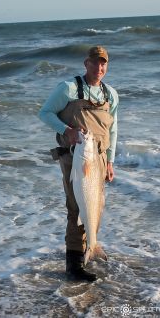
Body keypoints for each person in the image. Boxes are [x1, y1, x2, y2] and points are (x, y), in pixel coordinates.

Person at [39, 46, 119, 282]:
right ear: (86, 63)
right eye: (95, 63)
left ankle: (90, 249)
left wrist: (111, 161)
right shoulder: (69, 88)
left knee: (94, 209)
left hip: (100, 160)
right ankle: (73, 265)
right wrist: (66, 130)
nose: (99, 67)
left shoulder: (111, 94)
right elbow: (45, 113)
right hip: (75, 158)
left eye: (103, 63)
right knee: (76, 210)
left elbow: (113, 130)